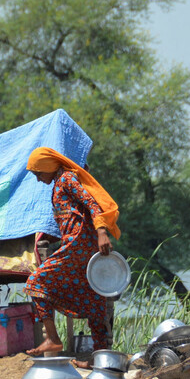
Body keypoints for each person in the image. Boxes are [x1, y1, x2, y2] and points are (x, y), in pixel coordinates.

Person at [23, 147, 120, 363]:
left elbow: (91, 203)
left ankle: (53, 338)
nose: (38, 179)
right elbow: (72, 217)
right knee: (95, 301)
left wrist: (102, 232)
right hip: (81, 247)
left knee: (36, 282)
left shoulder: (67, 179)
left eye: (38, 173)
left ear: (48, 166)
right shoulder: (59, 183)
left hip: (78, 245)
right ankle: (100, 359)